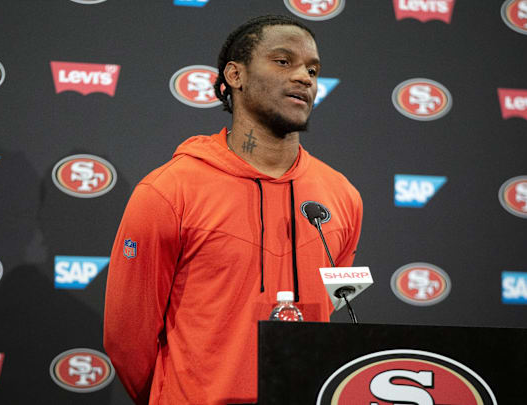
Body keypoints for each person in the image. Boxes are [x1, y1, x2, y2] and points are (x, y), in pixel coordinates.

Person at [103, 14, 363, 405]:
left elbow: (329, 308)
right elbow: (128, 338)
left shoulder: (341, 195)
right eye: (283, 61)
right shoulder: (168, 191)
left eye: (312, 69)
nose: (304, 78)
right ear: (235, 75)